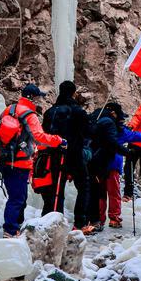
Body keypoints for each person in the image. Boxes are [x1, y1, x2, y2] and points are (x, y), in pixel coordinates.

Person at [0, 84, 62, 238]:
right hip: (19, 162)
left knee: (17, 196)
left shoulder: (9, 109)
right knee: (17, 198)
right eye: (38, 97)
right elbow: (39, 137)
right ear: (33, 98)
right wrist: (59, 140)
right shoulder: (30, 115)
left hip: (3, 158)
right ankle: (11, 230)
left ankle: (16, 225)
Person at [86, 102, 141, 232]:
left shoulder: (95, 125)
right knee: (114, 193)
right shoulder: (119, 130)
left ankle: (98, 219)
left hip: (96, 163)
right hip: (113, 165)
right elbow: (136, 136)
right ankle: (114, 219)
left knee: (99, 193)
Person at [40, 81, 91, 229]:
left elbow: (44, 133)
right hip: (74, 154)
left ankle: (53, 222)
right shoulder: (78, 111)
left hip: (53, 154)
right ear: (73, 93)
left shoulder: (50, 112)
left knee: (56, 189)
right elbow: (87, 132)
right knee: (84, 186)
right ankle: (80, 223)